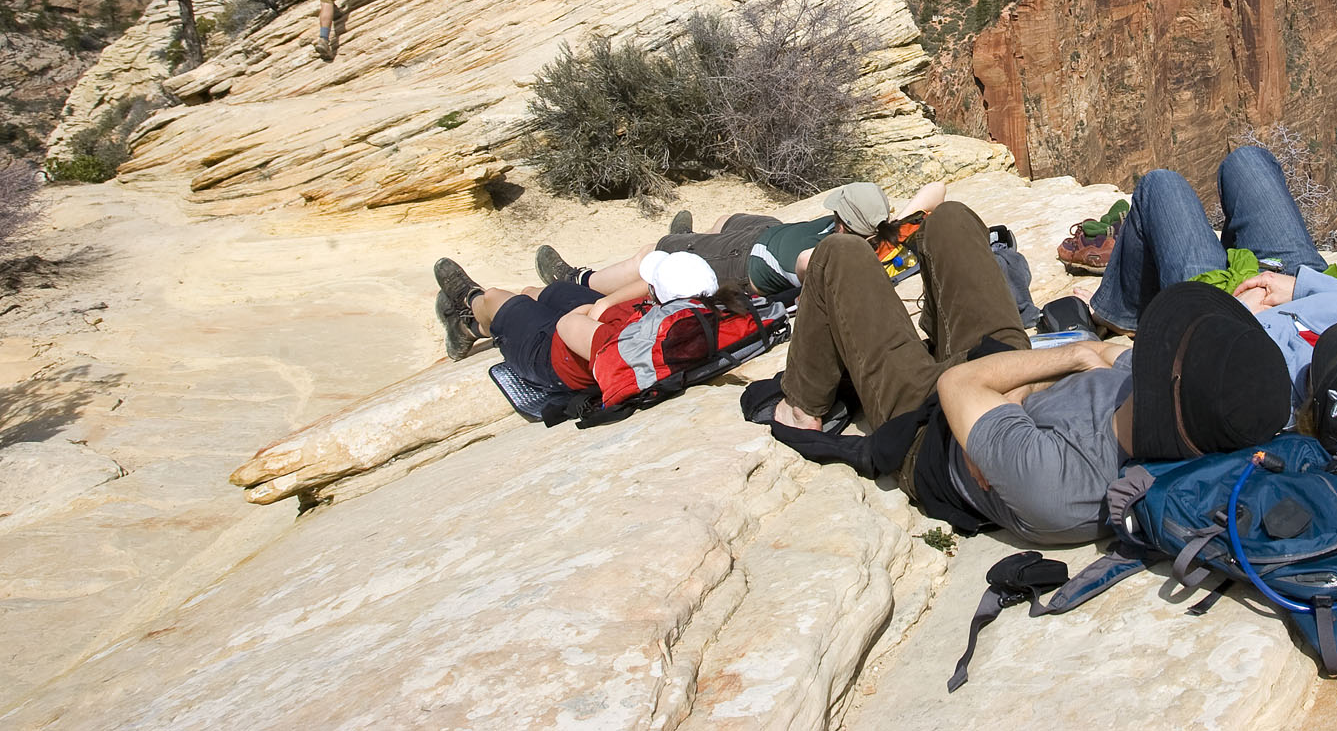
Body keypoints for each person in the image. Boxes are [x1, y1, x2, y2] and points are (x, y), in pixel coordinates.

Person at [767, 202, 1293, 545]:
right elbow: (1110, 357)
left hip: (927, 425)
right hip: (998, 383)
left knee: (839, 256)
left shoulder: (1062, 485)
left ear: (1169, 385)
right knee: (951, 219)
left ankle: (803, 402)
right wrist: (1031, 383)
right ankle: (932, 330)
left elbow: (958, 388)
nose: (1153, 346)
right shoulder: (1160, 400)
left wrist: (1075, 356)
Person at [1087, 145, 1337, 412]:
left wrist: (1235, 319)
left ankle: (1117, 313)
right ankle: (1228, 258)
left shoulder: (1272, 404)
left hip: (1220, 307)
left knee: (1160, 185)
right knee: (1246, 160)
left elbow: (1201, 371)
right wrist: (1303, 287)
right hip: (1296, 280)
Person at [534, 181, 949, 307]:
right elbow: (937, 188)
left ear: (843, 221)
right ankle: (692, 239)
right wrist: (894, 221)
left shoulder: (823, 256)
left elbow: (818, 268)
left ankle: (578, 279)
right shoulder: (884, 235)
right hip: (769, 231)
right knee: (723, 220)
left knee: (655, 254)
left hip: (740, 263)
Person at [432, 247, 739, 390]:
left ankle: (470, 312)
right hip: (595, 328)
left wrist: (589, 312)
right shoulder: (703, 309)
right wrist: (604, 302)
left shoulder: (626, 341)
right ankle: (475, 317)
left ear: (658, 298)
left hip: (550, 356)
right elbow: (648, 288)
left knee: (497, 298)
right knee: (538, 292)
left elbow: (569, 326)